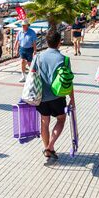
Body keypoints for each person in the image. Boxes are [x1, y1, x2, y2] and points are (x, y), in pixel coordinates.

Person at [33, 30, 75, 160]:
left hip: (42, 97)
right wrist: (72, 99)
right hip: (58, 97)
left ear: (46, 41)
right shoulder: (65, 59)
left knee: (45, 122)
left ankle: (47, 149)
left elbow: (32, 75)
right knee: (61, 119)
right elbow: (69, 81)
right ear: (59, 43)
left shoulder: (38, 57)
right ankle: (50, 146)